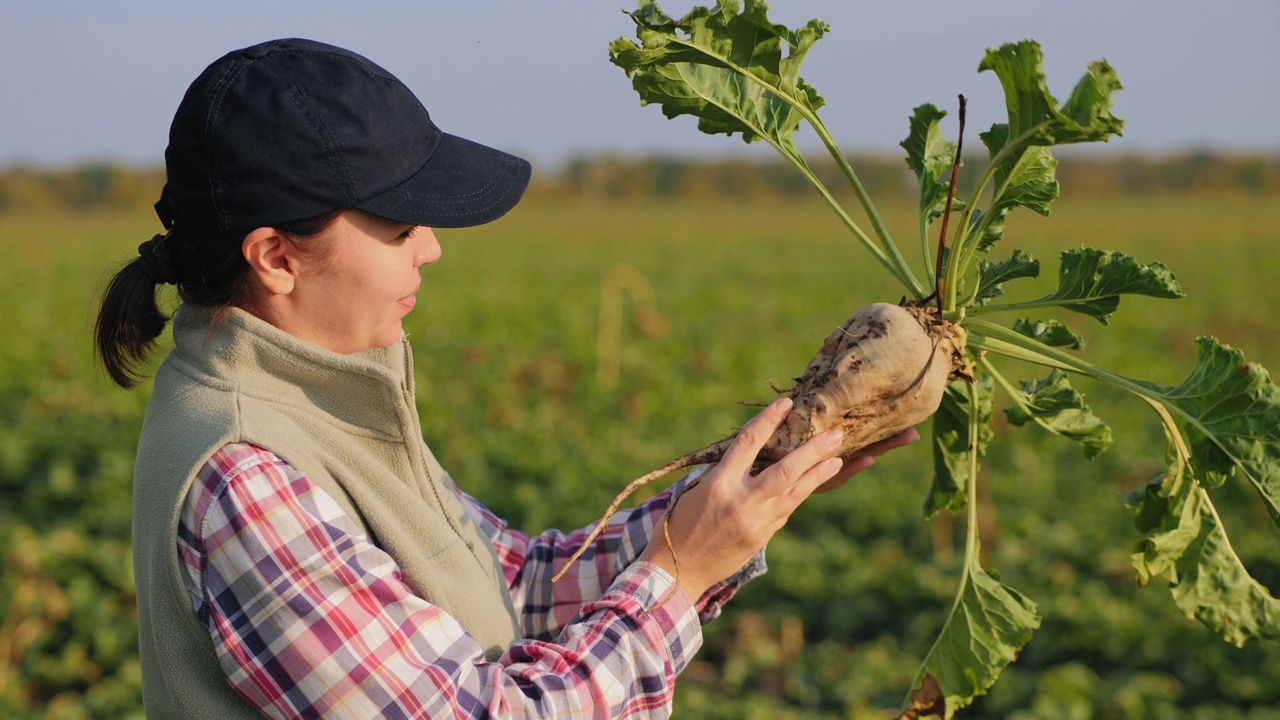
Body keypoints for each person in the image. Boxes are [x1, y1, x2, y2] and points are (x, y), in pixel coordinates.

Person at [94, 38, 917, 719]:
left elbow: (514, 582)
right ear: (277, 257)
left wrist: (735, 501)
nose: (432, 248)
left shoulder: (324, 396)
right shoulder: (245, 475)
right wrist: (679, 576)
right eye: (400, 225)